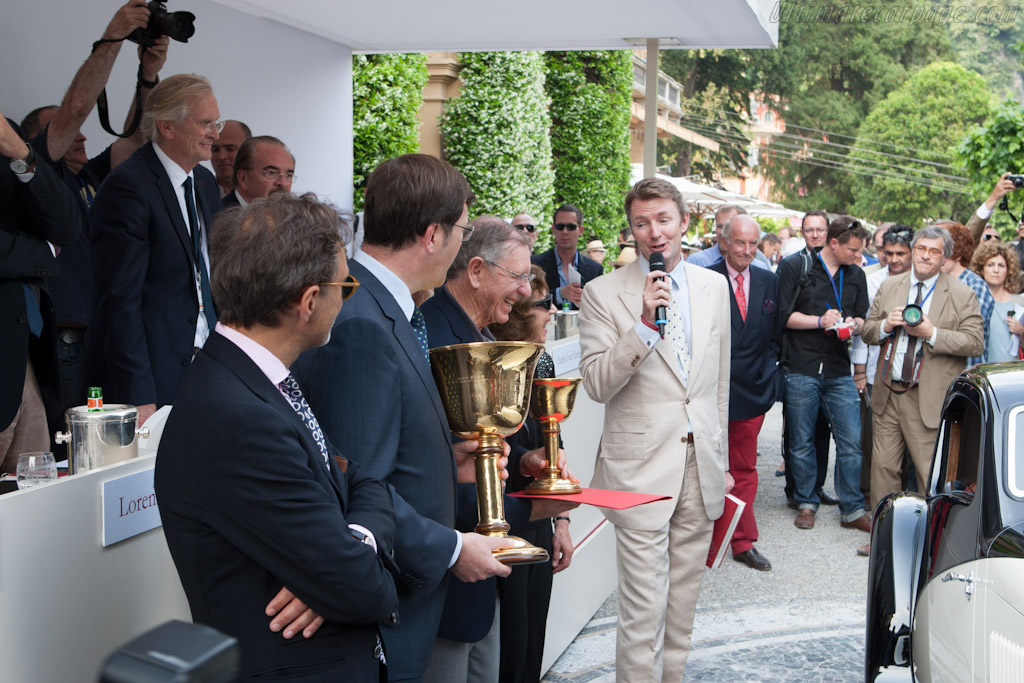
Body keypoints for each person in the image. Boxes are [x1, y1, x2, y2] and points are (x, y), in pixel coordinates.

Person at [155, 192, 400, 682]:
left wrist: (351, 542)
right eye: (344, 285)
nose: (344, 296)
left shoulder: (251, 380)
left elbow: (363, 481)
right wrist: (344, 567)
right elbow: (362, 586)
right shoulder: (240, 415)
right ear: (309, 301)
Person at [291, 154, 511, 683]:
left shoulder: (385, 306)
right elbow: (357, 485)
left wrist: (446, 458)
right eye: (462, 230)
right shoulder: (361, 322)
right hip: (387, 616)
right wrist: (453, 547)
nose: (463, 245)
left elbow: (380, 441)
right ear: (433, 235)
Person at [578, 177, 732, 681]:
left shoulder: (714, 286)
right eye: (642, 223)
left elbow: (718, 385)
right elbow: (598, 383)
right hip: (637, 471)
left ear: (685, 222)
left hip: (699, 466)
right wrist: (643, 325)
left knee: (682, 609)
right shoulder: (603, 293)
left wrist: (723, 461)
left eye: (664, 219)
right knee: (643, 611)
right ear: (631, 232)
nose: (655, 232)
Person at [419, 216, 578, 683]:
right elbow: (431, 473)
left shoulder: (480, 332)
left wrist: (528, 461)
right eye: (517, 278)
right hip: (448, 575)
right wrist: (532, 509)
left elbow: (480, 454)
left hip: (480, 578)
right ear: (475, 270)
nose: (527, 293)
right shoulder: (435, 337)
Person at [21, 0, 169, 443]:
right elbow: (74, 113)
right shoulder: (37, 180)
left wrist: (147, 77)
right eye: (70, 131)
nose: (84, 135)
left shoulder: (90, 177)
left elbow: (136, 141)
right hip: (62, 336)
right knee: (69, 444)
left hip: (100, 335)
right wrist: (111, 42)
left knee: (102, 446)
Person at [84, 74, 223, 425]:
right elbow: (120, 299)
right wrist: (138, 395)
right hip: (154, 378)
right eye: (205, 123)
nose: (215, 134)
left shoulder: (204, 182)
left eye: (215, 123)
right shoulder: (128, 186)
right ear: (167, 126)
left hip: (207, 365)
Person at [861, 226, 984, 554]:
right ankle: (884, 540)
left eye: (933, 251)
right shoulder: (890, 286)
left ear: (944, 258)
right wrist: (886, 325)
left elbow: (974, 341)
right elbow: (868, 331)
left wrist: (932, 333)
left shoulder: (960, 293)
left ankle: (931, 543)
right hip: (888, 391)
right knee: (883, 470)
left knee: (930, 474)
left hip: (927, 396)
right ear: (912, 251)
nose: (925, 256)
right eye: (921, 249)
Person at [490, 264, 571, 683]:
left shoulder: (544, 361)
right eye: (543, 304)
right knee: (508, 641)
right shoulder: (489, 359)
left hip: (539, 515)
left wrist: (563, 522)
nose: (553, 311)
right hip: (499, 516)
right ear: (521, 311)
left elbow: (554, 445)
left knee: (530, 639)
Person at [0, 113, 83, 473]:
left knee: (31, 502)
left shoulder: (8, 133)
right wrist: (42, 253)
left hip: (19, 356)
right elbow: (52, 244)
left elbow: (65, 225)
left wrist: (19, 150)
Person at [778, 215, 870, 533]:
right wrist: (819, 321)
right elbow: (783, 317)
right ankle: (806, 502)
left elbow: (861, 318)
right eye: (853, 250)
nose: (857, 256)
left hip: (837, 367)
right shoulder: (796, 267)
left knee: (851, 442)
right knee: (801, 441)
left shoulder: (856, 275)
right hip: (801, 366)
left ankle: (852, 508)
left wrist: (852, 324)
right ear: (834, 243)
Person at [709, 215, 781, 571]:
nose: (747, 251)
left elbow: (775, 336)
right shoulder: (705, 279)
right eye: (740, 243)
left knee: (744, 468)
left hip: (752, 393)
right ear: (724, 242)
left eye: (753, 244)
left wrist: (766, 373)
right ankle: (702, 538)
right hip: (710, 392)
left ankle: (741, 541)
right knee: (704, 466)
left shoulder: (770, 281)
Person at [778, 210, 841, 509]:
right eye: (809, 230)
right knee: (797, 432)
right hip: (799, 360)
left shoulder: (841, 268)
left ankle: (816, 488)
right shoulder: (792, 265)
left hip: (830, 362)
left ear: (829, 232)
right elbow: (781, 316)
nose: (815, 235)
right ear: (801, 232)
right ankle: (796, 490)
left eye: (820, 230)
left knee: (821, 431)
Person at [849, 224, 914, 508]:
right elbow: (865, 329)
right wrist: (860, 370)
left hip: (913, 375)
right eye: (889, 253)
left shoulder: (926, 284)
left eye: (901, 253)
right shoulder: (873, 281)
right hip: (878, 370)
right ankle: (873, 497)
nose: (894, 259)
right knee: (874, 439)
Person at [938, 222, 994, 367]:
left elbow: (970, 335)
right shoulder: (938, 282)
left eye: (941, 251)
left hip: (966, 375)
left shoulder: (975, 285)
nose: (936, 257)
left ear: (956, 254)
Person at [531, 204, 603, 310]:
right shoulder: (535, 263)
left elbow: (600, 306)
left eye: (571, 227)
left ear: (581, 230)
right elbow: (529, 300)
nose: (565, 231)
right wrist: (560, 293)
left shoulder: (595, 269)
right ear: (553, 229)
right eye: (560, 226)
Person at [970, 241, 1024, 362]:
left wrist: (1021, 331)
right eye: (990, 265)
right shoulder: (972, 299)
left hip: (1012, 371)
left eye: (1001, 265)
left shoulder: (1019, 301)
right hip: (981, 370)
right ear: (981, 269)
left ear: (1009, 270)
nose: (996, 270)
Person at [686, 204, 772, 270]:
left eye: (728, 226)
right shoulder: (696, 262)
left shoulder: (759, 266)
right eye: (719, 226)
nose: (722, 232)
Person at [223, 135, 294, 207]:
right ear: (243, 178)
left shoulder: (291, 216)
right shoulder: (216, 216)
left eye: (288, 175)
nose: (283, 183)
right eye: (271, 173)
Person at [211, 119, 251, 196]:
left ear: (249, 150)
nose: (222, 157)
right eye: (215, 150)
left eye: (230, 149)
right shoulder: (196, 193)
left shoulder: (267, 194)